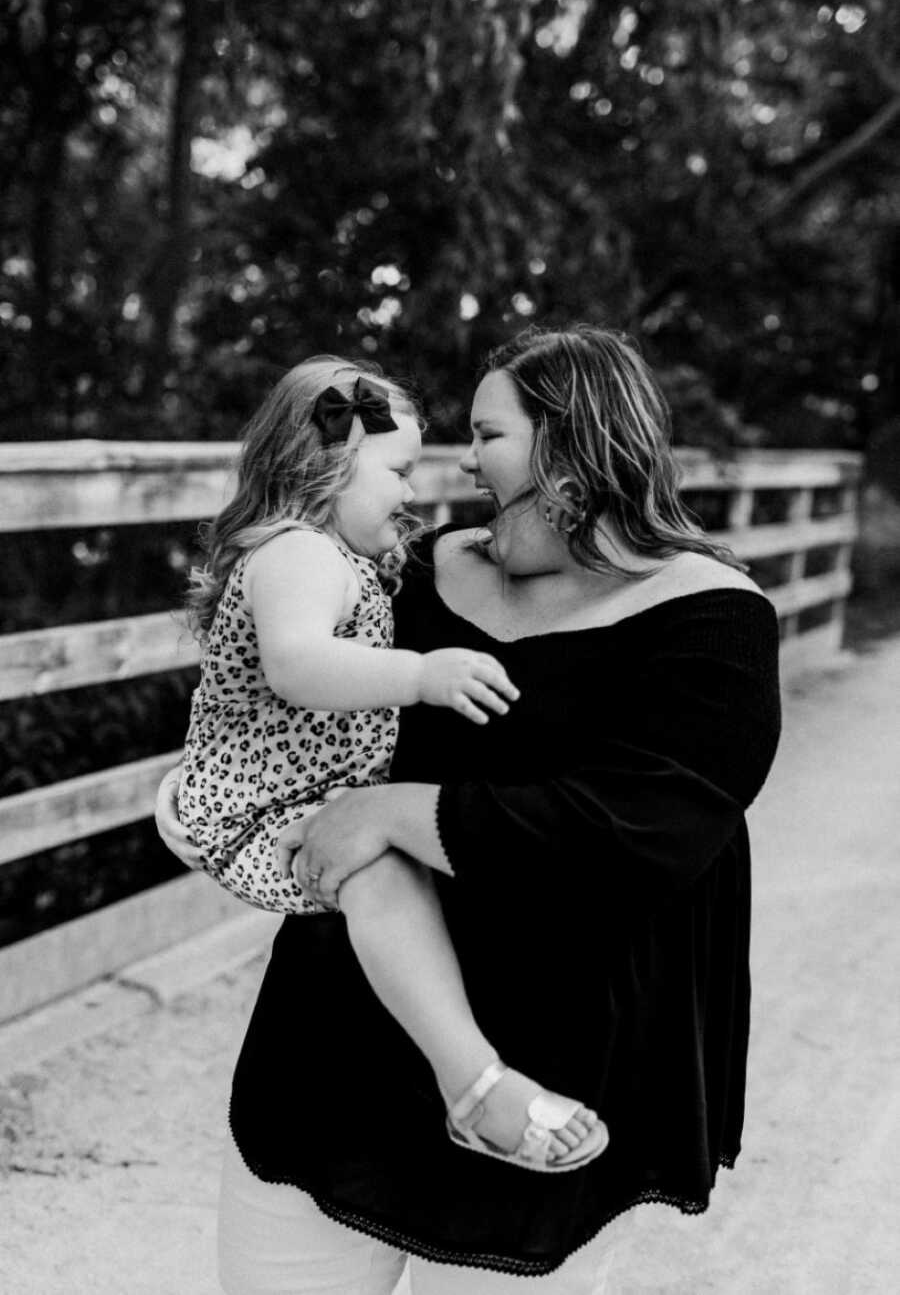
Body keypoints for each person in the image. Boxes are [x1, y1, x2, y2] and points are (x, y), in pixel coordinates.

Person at [156, 325, 781, 1294]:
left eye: (488, 433)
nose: (460, 461)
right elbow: (293, 700)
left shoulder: (714, 618)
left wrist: (400, 812)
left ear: (572, 444)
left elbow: (648, 828)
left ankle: (477, 1085)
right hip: (340, 1045)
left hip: (553, 1073)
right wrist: (219, 797)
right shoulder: (419, 570)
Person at [177, 354, 608, 1175]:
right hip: (265, 803)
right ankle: (475, 1085)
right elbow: (294, 665)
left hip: (288, 788)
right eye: (399, 471)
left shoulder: (334, 556)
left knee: (396, 860)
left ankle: (461, 1068)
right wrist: (420, 675)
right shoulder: (299, 554)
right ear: (328, 464)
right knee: (381, 868)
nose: (414, 491)